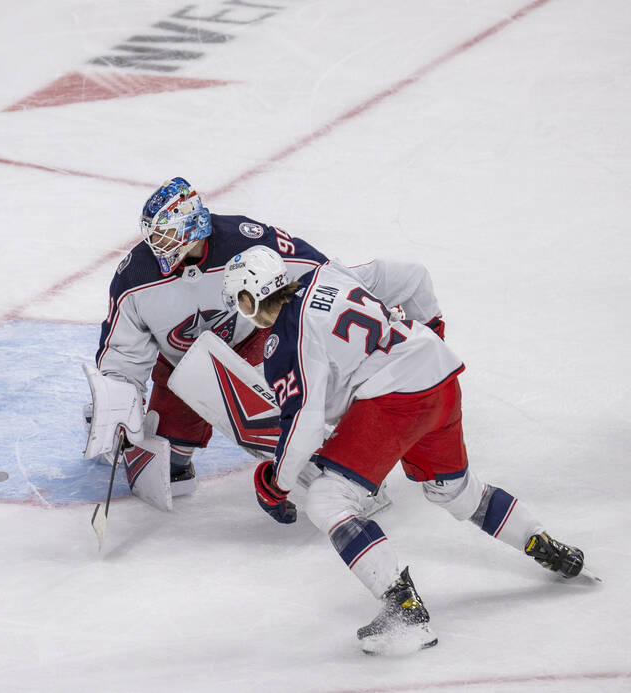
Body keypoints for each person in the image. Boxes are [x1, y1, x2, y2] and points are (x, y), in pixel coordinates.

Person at [222, 245, 586, 654]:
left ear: (248, 299)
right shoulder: (328, 273)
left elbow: (303, 421)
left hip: (395, 398)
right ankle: (543, 543)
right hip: (437, 373)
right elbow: (412, 275)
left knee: (327, 499)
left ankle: (403, 609)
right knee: (456, 491)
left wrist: (277, 482)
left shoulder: (286, 342)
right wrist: (430, 328)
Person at [92, 176, 442, 503]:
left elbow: (316, 274)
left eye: (166, 236)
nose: (157, 245)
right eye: (154, 236)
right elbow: (122, 352)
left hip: (254, 344)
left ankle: (336, 469)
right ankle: (185, 445)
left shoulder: (246, 239)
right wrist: (119, 402)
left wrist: (362, 303)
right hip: (180, 363)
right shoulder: (134, 277)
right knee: (172, 465)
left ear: (193, 226)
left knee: (286, 417)